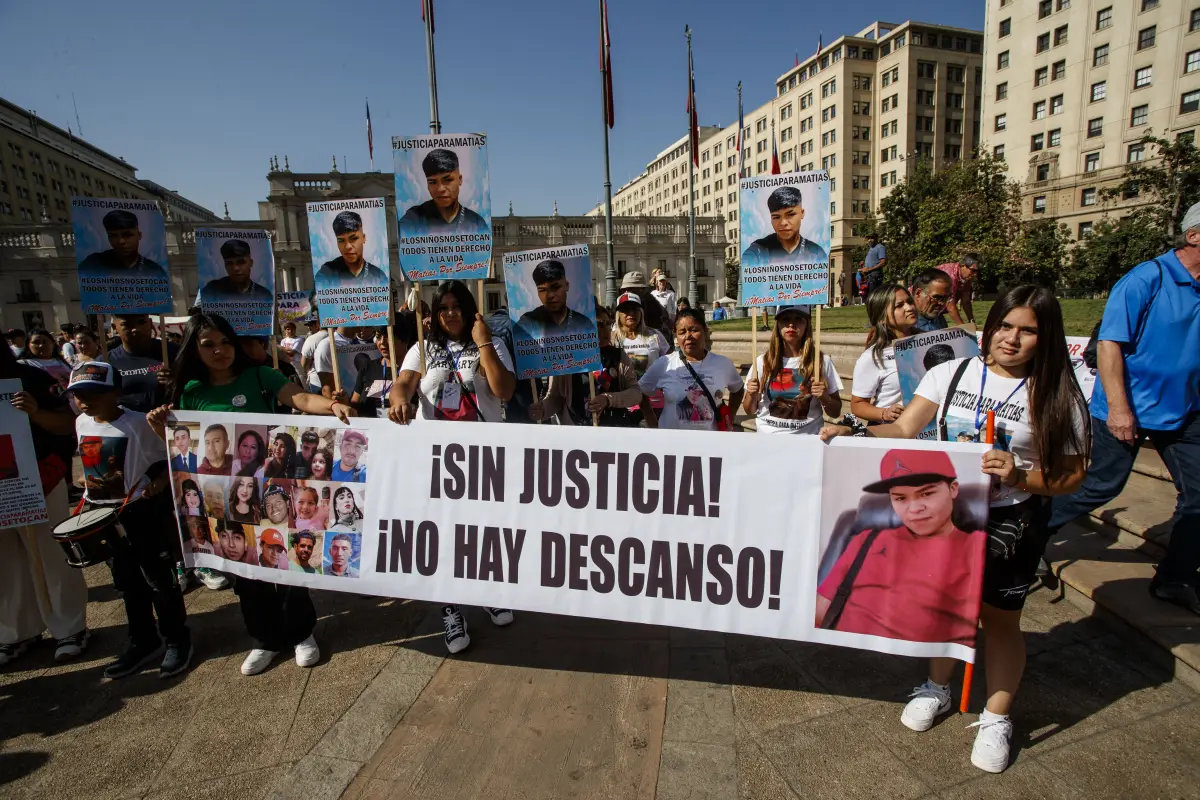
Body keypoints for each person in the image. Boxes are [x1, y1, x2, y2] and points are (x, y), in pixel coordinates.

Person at [820, 285, 1091, 774]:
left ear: (1044, 337)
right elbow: (904, 430)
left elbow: (1071, 475)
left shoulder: (1058, 393)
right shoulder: (952, 371)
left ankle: (995, 716)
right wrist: (853, 431)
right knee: (943, 607)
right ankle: (938, 687)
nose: (1011, 339)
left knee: (1000, 620)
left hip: (1014, 519)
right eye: (1005, 325)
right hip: (953, 515)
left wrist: (1019, 475)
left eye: (1027, 331)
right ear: (990, 326)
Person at [148, 312, 355, 676]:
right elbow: (183, 449)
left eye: (225, 342)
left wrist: (332, 406)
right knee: (246, 571)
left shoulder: (260, 375)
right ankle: (265, 640)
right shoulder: (190, 392)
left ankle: (302, 634)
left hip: (273, 491)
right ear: (194, 349)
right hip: (227, 497)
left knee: (288, 565)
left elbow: (301, 399)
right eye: (208, 344)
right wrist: (158, 431)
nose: (220, 351)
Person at [1047, 206, 1200, 614]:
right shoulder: (1146, 279)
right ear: (1194, 236)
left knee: (1199, 496)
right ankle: (1028, 536)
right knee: (1100, 485)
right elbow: (1111, 344)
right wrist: (1119, 409)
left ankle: (1174, 578)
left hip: (1185, 410)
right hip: (1126, 405)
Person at [388, 279, 515, 654]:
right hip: (439, 463)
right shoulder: (423, 349)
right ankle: (450, 608)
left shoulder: (490, 343)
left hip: (485, 458)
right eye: (442, 308)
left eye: (456, 306)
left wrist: (484, 342)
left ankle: (490, 591)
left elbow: (504, 390)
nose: (449, 313)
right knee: (443, 537)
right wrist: (398, 400)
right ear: (434, 314)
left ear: (469, 309)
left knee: (483, 532)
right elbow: (404, 384)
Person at [66, 360, 191, 678]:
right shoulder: (81, 423)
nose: (85, 401)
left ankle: (177, 640)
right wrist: (86, 483)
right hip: (102, 515)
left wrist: (159, 483)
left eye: (94, 392)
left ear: (116, 393)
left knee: (160, 582)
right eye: (79, 393)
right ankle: (143, 641)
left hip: (140, 514)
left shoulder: (138, 423)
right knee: (127, 584)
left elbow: (171, 458)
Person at [815, 449, 986, 646]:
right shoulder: (867, 539)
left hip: (908, 662)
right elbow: (821, 610)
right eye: (900, 498)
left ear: (953, 489)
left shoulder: (974, 546)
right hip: (840, 653)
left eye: (927, 493)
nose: (914, 509)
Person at [0, 342, 89, 666]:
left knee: (51, 555)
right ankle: (15, 633)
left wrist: (35, 412)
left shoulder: (27, 377)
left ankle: (70, 628)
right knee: (4, 563)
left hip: (35, 479)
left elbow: (67, 423)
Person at [530, 303, 642, 426]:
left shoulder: (618, 356)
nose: (606, 330)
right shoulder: (566, 358)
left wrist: (608, 399)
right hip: (576, 430)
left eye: (608, 324)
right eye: (599, 324)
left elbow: (636, 393)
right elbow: (555, 397)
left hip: (612, 429)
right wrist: (543, 409)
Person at [639, 309, 744, 431]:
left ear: (705, 330)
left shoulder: (723, 364)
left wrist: (730, 416)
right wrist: (652, 421)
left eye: (694, 330)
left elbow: (738, 389)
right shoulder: (664, 363)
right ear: (676, 336)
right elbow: (641, 391)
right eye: (682, 332)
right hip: (672, 443)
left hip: (710, 443)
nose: (688, 336)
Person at [743, 306, 841, 434]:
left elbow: (835, 412)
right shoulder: (762, 361)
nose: (791, 324)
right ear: (778, 325)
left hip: (808, 440)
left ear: (807, 324)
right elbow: (749, 410)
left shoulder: (821, 361)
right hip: (768, 440)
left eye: (798, 319)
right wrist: (751, 394)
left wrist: (824, 396)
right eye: (785, 319)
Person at [852, 285, 919, 424]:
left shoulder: (931, 342)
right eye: (899, 305)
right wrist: (885, 413)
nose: (909, 308)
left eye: (910, 301)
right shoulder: (873, 357)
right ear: (882, 317)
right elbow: (857, 405)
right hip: (893, 433)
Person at [612, 290, 669, 424]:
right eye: (626, 310)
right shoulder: (612, 339)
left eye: (634, 309)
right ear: (618, 314)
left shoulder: (655, 335)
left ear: (641, 312)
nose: (630, 313)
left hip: (656, 403)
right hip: (625, 404)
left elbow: (668, 364)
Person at [399, 148, 488, 233]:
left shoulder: (477, 223)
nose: (440, 189)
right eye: (433, 182)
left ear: (460, 179)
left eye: (448, 180)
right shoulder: (414, 219)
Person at [104, 314, 178, 413]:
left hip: (167, 422)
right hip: (126, 426)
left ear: (150, 323)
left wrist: (177, 381)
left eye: (141, 322)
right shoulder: (106, 362)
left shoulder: (174, 352)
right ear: (115, 328)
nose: (135, 329)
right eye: (126, 324)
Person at [741, 186, 828, 266]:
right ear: (771, 219)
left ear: (802, 213)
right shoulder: (758, 251)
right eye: (776, 217)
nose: (783, 223)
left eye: (790, 215)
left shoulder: (817, 253)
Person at [512, 260, 596, 339]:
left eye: (556, 287)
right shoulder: (527, 324)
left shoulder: (583, 324)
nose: (550, 295)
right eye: (542, 290)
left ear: (567, 286)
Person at [351, 316, 415, 418]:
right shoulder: (367, 367)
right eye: (378, 336)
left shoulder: (414, 371)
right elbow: (355, 405)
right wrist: (343, 402)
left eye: (388, 337)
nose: (382, 342)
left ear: (405, 340)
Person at [78, 210, 167, 279]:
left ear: (139, 235)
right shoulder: (92, 264)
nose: (121, 241)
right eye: (113, 235)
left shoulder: (154, 271)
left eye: (127, 235)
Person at [314, 211, 389, 289]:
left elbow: (388, 299)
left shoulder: (378, 276)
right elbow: (315, 298)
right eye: (341, 240)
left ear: (363, 238)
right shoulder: (327, 273)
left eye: (353, 239)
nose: (347, 246)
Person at [314, 326, 379, 400]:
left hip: (366, 403)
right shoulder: (327, 344)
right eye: (357, 314)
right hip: (344, 405)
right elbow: (326, 388)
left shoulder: (363, 343)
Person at [199, 239, 273, 303]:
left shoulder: (264, 295)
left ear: (251, 263)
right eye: (229, 263)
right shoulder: (212, 290)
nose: (235, 268)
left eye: (241, 262)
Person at [936, 254, 979, 329]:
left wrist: (971, 321)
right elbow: (950, 307)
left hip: (936, 311)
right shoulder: (950, 276)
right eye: (973, 270)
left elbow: (966, 302)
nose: (975, 274)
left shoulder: (966, 278)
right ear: (963, 265)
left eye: (977, 271)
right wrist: (963, 328)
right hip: (920, 308)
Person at [911, 268, 953, 333]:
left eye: (946, 298)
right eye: (937, 297)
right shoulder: (903, 327)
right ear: (918, 294)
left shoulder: (939, 319)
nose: (942, 303)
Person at [300, 322, 328, 392]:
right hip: (339, 381)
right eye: (308, 326)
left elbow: (304, 363)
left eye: (311, 325)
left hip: (318, 382)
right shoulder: (339, 336)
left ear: (318, 325)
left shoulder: (312, 339)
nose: (309, 328)